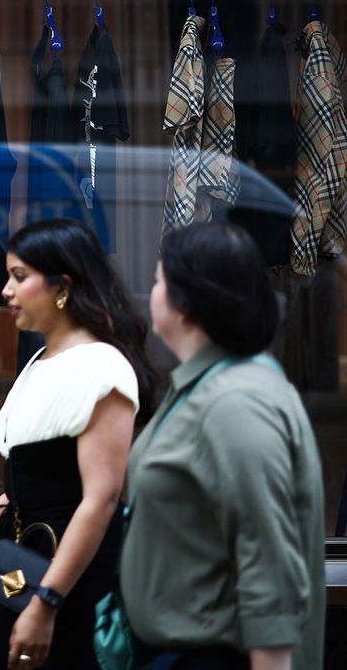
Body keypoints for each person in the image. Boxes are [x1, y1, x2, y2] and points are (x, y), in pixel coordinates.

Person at [0, 218, 156, 670]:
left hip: (69, 578)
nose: (5, 290)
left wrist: (47, 603)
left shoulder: (101, 368)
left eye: (20, 277)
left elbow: (100, 499)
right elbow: (36, 488)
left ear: (62, 286)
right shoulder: (42, 360)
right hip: (22, 565)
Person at [119, 222, 324, 670]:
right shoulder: (211, 385)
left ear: (187, 302)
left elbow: (267, 558)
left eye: (157, 282)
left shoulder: (237, 402)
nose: (150, 292)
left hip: (215, 658)